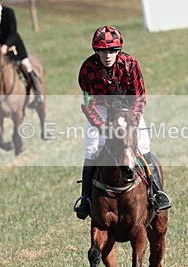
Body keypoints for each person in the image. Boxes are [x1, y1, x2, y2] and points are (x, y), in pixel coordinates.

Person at [73, 25, 171, 220]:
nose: (107, 55)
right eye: (102, 51)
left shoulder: (130, 65)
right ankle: (85, 199)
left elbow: (140, 97)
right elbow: (89, 104)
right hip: (101, 107)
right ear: (96, 51)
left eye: (112, 51)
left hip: (128, 108)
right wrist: (104, 127)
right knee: (92, 148)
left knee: (142, 146)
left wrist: (132, 121)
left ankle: (158, 193)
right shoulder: (87, 69)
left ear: (118, 51)